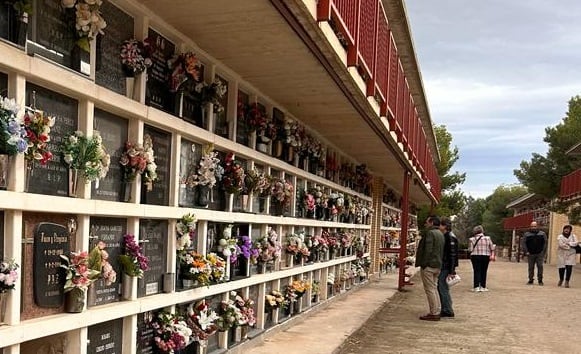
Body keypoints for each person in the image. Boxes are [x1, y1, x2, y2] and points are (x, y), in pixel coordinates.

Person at [415, 216, 445, 321]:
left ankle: (434, 312)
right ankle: (437, 309)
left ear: (431, 223)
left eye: (427, 222)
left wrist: (424, 263)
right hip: (438, 265)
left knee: (429, 289)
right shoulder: (441, 234)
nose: (425, 224)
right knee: (434, 288)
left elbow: (428, 249)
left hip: (429, 265)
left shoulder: (430, 233)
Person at [437, 217, 459, 318]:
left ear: (444, 226)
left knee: (442, 287)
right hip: (446, 265)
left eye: (440, 225)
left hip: (446, 266)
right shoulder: (448, 236)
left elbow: (452, 254)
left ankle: (447, 309)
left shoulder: (449, 237)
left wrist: (451, 270)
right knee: (442, 287)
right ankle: (446, 308)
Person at [468, 225, 495, 292]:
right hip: (485, 255)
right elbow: (492, 247)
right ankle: (483, 286)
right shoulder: (488, 238)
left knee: (476, 270)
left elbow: (470, 249)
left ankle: (476, 286)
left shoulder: (472, 239)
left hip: (475, 255)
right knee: (484, 270)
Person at [522, 221, 547, 285]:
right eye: (532, 226)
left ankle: (540, 280)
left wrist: (543, 251)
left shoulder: (542, 234)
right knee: (531, 267)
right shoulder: (526, 234)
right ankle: (530, 279)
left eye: (535, 226)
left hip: (539, 253)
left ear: (537, 226)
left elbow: (545, 243)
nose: (533, 227)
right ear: (530, 227)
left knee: (540, 266)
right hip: (530, 253)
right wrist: (526, 251)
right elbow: (524, 243)